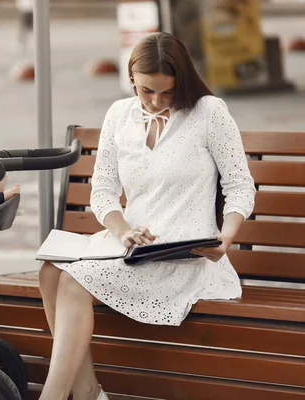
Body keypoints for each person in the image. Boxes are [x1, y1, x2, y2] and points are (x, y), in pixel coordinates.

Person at [37, 32, 256, 400]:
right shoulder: (119, 114)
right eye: (146, 91)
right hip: (129, 247)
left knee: (73, 283)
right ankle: (87, 390)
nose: (156, 101)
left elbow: (239, 185)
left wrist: (227, 236)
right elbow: (103, 191)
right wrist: (121, 229)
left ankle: (56, 397)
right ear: (132, 79)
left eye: (167, 93)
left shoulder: (209, 112)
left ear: (182, 81)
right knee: (49, 271)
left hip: (185, 255)